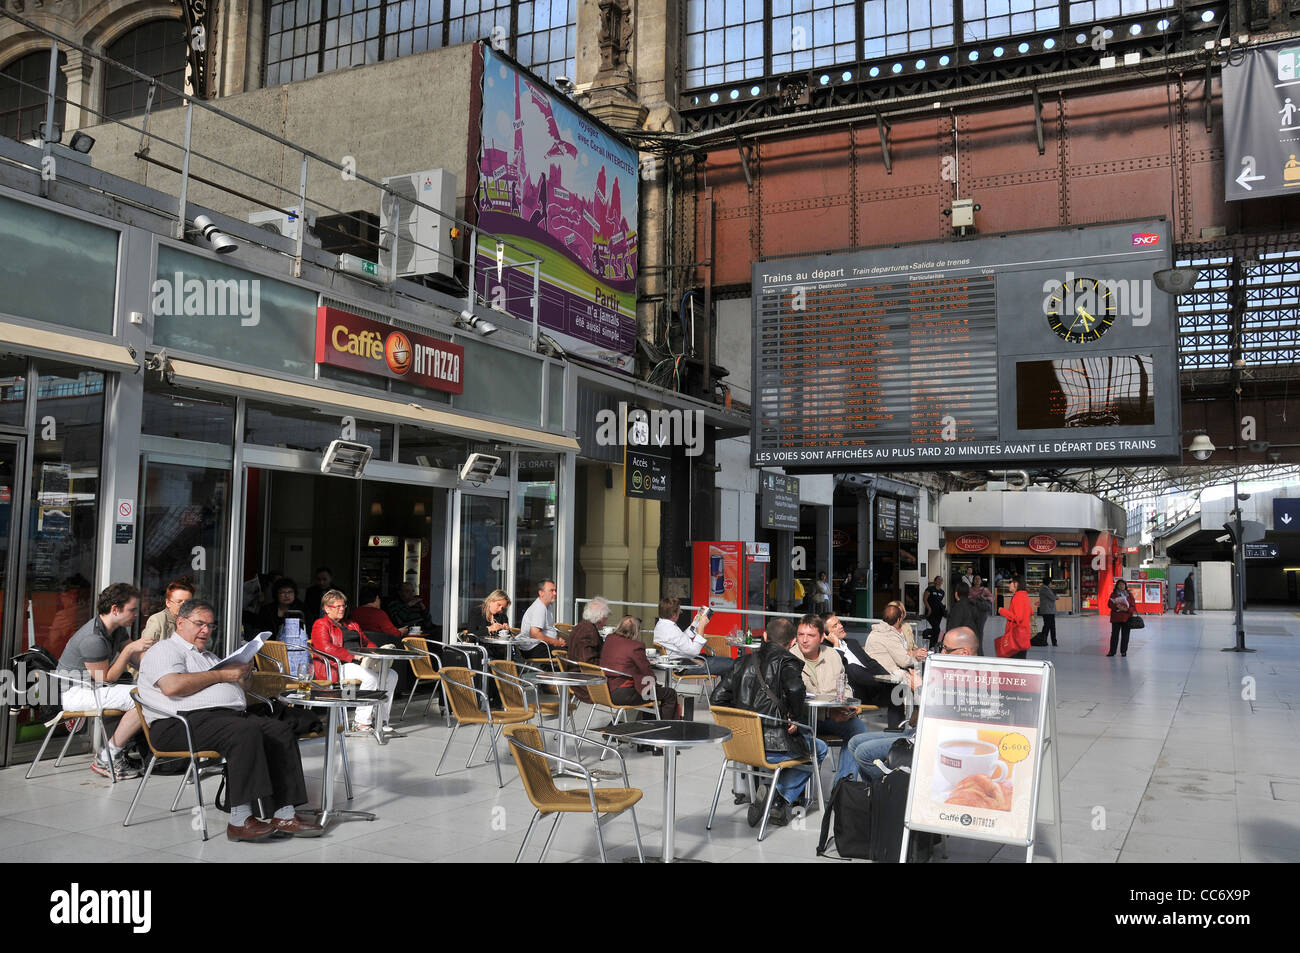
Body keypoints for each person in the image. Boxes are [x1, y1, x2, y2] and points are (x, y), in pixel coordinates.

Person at [136, 598, 322, 841]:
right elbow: (172, 687)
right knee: (243, 731)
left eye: (210, 626)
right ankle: (240, 819)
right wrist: (222, 674)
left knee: (279, 729)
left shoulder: (209, 656)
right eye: (199, 624)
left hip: (221, 718)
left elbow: (234, 689)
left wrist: (243, 675)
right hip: (177, 724)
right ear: (180, 623)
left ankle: (284, 813)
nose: (206, 630)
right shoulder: (165, 650)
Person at [710, 617, 828, 828]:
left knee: (807, 746)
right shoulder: (787, 661)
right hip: (773, 746)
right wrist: (795, 717)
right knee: (819, 749)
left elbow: (717, 698)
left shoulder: (740, 663)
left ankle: (775, 801)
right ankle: (778, 798)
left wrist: (741, 720)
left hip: (739, 746)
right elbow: (795, 689)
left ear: (764, 636)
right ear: (792, 642)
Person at [847, 626, 978, 781]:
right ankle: (876, 797)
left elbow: (945, 717)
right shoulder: (948, 672)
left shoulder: (973, 678)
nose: (942, 653)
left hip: (934, 740)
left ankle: (894, 790)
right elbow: (917, 716)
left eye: (946, 649)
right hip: (916, 732)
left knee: (864, 753)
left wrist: (920, 688)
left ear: (964, 652)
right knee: (855, 742)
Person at [55, 583, 150, 780]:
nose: (136, 615)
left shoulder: (117, 629)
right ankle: (107, 756)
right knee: (142, 697)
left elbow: (137, 659)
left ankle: (118, 752)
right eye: (132, 610)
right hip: (75, 692)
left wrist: (162, 672)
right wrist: (128, 650)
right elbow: (106, 678)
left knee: (152, 691)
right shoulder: (93, 639)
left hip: (93, 687)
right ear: (115, 609)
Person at [310, 590, 399, 733]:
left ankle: (380, 719)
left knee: (392, 675)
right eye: (337, 606)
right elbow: (326, 648)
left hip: (361, 663)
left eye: (343, 606)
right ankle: (360, 722)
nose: (342, 609)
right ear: (327, 609)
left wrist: (374, 652)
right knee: (371, 678)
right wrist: (353, 656)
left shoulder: (351, 624)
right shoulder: (321, 624)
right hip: (338, 665)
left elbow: (366, 641)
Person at [794, 615, 865, 784]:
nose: (804, 640)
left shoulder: (832, 655)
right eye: (800, 634)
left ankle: (842, 788)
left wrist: (845, 707)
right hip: (801, 720)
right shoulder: (790, 658)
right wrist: (829, 712)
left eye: (810, 636)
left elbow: (845, 685)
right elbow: (796, 700)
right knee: (805, 738)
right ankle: (794, 792)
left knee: (858, 728)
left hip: (830, 716)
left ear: (821, 637)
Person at [600, 615, 678, 719]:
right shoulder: (635, 646)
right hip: (623, 695)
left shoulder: (609, 640)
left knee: (649, 691)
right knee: (669, 694)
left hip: (604, 690)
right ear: (636, 631)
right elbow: (647, 673)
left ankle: (645, 726)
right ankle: (666, 731)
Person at [822, 613, 894, 705]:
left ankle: (890, 686)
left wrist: (889, 678)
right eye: (835, 626)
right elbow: (834, 667)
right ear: (826, 634)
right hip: (857, 692)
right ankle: (889, 686)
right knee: (852, 667)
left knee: (898, 693)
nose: (840, 626)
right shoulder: (826, 649)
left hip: (874, 688)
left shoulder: (852, 643)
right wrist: (836, 644)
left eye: (839, 622)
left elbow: (871, 663)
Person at [652, 596, 732, 677]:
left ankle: (723, 689)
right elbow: (694, 651)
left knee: (726, 663)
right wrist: (701, 627)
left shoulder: (661, 625)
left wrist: (694, 624)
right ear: (673, 615)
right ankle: (722, 689)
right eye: (679, 611)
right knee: (731, 664)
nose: (681, 612)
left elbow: (681, 640)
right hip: (684, 666)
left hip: (681, 661)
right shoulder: (671, 629)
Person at [519, 579, 567, 654]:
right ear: (541, 593)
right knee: (571, 653)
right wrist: (555, 642)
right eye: (551, 590)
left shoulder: (548, 606)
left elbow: (548, 629)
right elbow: (535, 634)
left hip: (542, 645)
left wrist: (558, 639)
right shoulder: (539, 607)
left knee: (572, 650)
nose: (555, 593)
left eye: (555, 590)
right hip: (533, 648)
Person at [141, 579, 194, 646]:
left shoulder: (194, 621)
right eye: (179, 602)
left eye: (188, 602)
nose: (184, 606)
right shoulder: (158, 620)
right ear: (168, 603)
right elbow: (146, 649)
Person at [998, 576, 1033, 659]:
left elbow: (1018, 617)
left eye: (1010, 582)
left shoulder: (1018, 597)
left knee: (1014, 663)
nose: (1008, 585)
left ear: (1016, 584)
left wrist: (1002, 611)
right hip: (1023, 635)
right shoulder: (1024, 596)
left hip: (1016, 637)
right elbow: (1030, 613)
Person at [945, 582, 983, 654]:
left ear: (956, 594)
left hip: (960, 648)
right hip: (974, 645)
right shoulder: (974, 606)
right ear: (968, 594)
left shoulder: (957, 607)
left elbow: (952, 629)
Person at [1107, 579, 1136, 658]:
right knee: (1114, 636)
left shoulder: (1129, 595)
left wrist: (1127, 609)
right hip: (1116, 618)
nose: (1121, 586)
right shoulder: (1113, 594)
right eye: (1120, 584)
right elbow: (1109, 604)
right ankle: (1112, 651)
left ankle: (1123, 651)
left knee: (1125, 636)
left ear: (1125, 586)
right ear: (1117, 586)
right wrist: (1117, 606)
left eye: (1123, 584)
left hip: (1127, 618)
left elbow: (1133, 606)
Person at [923, 576, 946, 647]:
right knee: (937, 629)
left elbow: (939, 602)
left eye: (941, 580)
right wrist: (929, 608)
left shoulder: (942, 592)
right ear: (935, 581)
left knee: (936, 630)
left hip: (938, 613)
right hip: (930, 613)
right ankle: (932, 644)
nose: (940, 581)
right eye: (938, 579)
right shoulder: (930, 589)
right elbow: (924, 599)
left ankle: (932, 646)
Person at [1036, 577, 1058, 647]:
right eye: (1051, 582)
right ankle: (1043, 640)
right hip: (1047, 610)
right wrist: (1056, 596)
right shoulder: (1045, 589)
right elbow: (1053, 597)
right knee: (1047, 626)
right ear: (1048, 582)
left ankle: (1052, 641)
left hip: (1049, 610)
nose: (1051, 583)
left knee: (1050, 626)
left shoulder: (1045, 588)